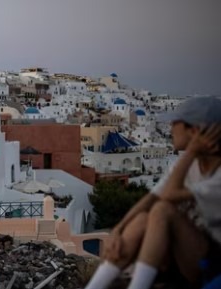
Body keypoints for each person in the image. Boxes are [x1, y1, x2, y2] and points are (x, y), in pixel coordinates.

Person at [85, 96, 221, 289]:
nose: (169, 128)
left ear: (195, 131)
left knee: (163, 210)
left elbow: (166, 197)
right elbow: (151, 198)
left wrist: (190, 151)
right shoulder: (188, 166)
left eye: (175, 123)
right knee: (141, 219)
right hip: (183, 253)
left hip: (211, 263)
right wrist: (118, 230)